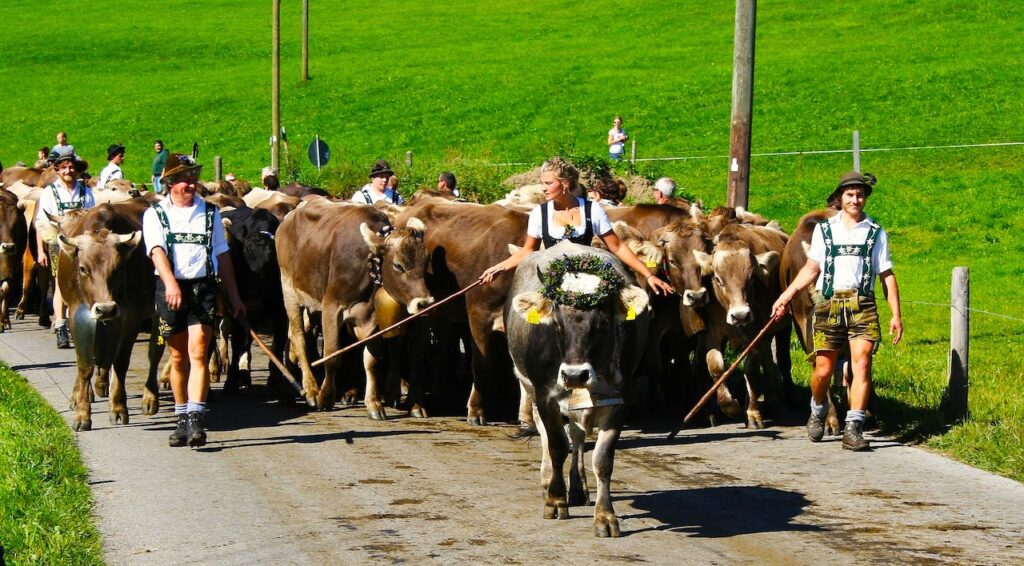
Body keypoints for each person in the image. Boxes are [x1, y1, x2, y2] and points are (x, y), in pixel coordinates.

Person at [771, 171, 903, 452]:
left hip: (862, 304)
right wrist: (786, 295)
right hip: (829, 304)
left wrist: (896, 314)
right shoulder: (825, 230)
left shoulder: (875, 232)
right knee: (823, 370)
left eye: (860, 195)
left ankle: (853, 427)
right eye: (850, 195)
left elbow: (887, 275)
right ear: (840, 198)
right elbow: (811, 268)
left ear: (865, 198)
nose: (856, 199)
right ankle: (818, 407)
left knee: (862, 364)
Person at [142, 153, 245, 448]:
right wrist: (171, 284)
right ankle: (181, 417)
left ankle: (197, 418)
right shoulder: (156, 214)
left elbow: (222, 255)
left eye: (193, 177)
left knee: (199, 352)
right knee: (177, 357)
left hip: (204, 288)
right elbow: (157, 252)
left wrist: (234, 294)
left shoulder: (210, 213)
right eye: (185, 178)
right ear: (171, 182)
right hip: (170, 289)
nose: (191, 183)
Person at [479, 157, 673, 295]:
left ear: (565, 183)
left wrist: (648, 275)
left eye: (548, 183)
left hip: (587, 279)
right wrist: (499, 268)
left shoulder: (592, 210)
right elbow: (528, 250)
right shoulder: (540, 213)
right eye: (542, 183)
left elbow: (617, 246)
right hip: (549, 280)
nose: (543, 188)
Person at [35, 147, 96, 348]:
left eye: (71, 167)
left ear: (77, 170)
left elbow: (92, 219)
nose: (68, 171)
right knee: (61, 285)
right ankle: (60, 325)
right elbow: (41, 223)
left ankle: (76, 325)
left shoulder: (87, 192)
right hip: (59, 244)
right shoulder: (50, 193)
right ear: (57, 170)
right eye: (64, 168)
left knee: (80, 284)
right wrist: (41, 250)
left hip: (82, 245)